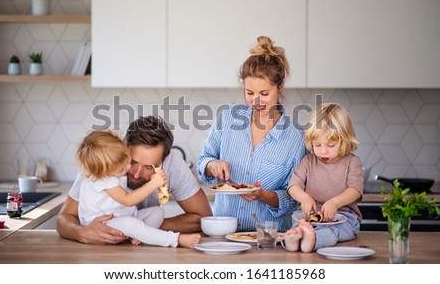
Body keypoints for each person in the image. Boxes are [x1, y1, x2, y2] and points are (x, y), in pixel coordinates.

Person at [197, 36, 306, 232]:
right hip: (224, 234)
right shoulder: (228, 118)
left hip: (269, 239)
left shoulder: (295, 138)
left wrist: (263, 195)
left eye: (264, 94)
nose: (256, 101)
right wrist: (212, 165)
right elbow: (203, 161)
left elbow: (293, 198)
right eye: (249, 93)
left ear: (280, 86)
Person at [56, 116, 212, 244]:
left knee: (156, 213)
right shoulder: (105, 161)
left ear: (163, 161)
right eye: (133, 162)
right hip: (102, 249)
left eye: (149, 167)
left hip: (136, 236)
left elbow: (204, 219)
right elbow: (63, 219)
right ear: (124, 149)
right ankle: (171, 239)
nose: (136, 174)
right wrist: (81, 233)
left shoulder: (174, 165)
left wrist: (143, 230)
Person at [76, 129, 200, 248]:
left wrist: (140, 230)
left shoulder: (112, 169)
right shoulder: (102, 178)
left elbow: (201, 217)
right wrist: (153, 184)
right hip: (104, 223)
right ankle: (175, 239)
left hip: (123, 216)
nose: (128, 169)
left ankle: (138, 236)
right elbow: (127, 200)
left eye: (128, 162)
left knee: (157, 212)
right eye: (122, 168)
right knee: (131, 225)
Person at [283, 103, 364, 253]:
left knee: (331, 233)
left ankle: (313, 241)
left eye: (330, 145)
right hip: (310, 217)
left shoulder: (352, 162)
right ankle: (293, 240)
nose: (323, 151)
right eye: (317, 144)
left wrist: (335, 203)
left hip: (344, 218)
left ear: (345, 140)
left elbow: (355, 190)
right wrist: (304, 198)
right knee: (298, 226)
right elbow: (293, 186)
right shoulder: (308, 161)